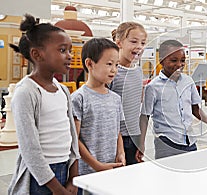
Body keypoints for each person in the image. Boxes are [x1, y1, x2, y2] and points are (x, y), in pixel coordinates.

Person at [8, 14, 80, 195]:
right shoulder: (26, 92)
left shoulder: (63, 90)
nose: (69, 56)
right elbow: (29, 149)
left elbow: (72, 135)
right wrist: (56, 188)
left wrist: (73, 176)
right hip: (41, 178)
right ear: (37, 54)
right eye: (63, 50)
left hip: (66, 167)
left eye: (70, 50)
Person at [140, 40, 207, 159]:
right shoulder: (153, 87)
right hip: (167, 143)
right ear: (161, 60)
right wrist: (140, 144)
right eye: (173, 60)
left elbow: (195, 108)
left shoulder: (188, 81)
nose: (179, 64)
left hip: (189, 141)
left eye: (182, 61)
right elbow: (145, 117)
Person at [71, 38, 125, 178]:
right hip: (88, 173)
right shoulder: (79, 98)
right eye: (109, 64)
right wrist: (96, 165)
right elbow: (74, 139)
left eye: (117, 65)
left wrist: (121, 153)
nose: (114, 70)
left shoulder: (115, 98)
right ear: (89, 63)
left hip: (113, 168)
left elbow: (117, 131)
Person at [109, 22, 147, 164]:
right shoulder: (113, 72)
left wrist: (140, 141)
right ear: (119, 43)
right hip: (115, 138)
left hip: (133, 136)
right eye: (133, 41)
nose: (139, 46)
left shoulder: (137, 71)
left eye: (143, 43)